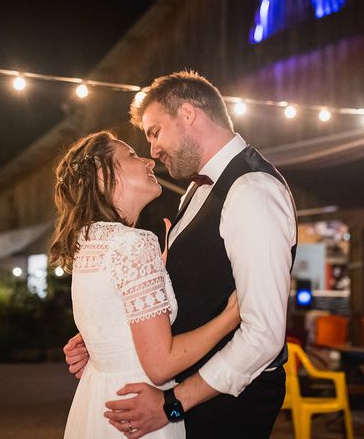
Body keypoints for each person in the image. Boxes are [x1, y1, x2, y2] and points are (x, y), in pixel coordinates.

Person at [65, 71, 298, 438]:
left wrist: (174, 402)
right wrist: (110, 339)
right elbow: (176, 288)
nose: (153, 152)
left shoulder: (252, 190)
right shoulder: (195, 190)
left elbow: (264, 335)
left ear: (188, 115)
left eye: (155, 132)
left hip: (226, 403)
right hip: (182, 392)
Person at [50, 131, 241, 438]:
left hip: (100, 398)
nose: (149, 159)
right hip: (143, 404)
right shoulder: (133, 244)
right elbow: (162, 364)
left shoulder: (89, 240)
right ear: (103, 175)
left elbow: (113, 312)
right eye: (131, 155)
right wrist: (230, 317)